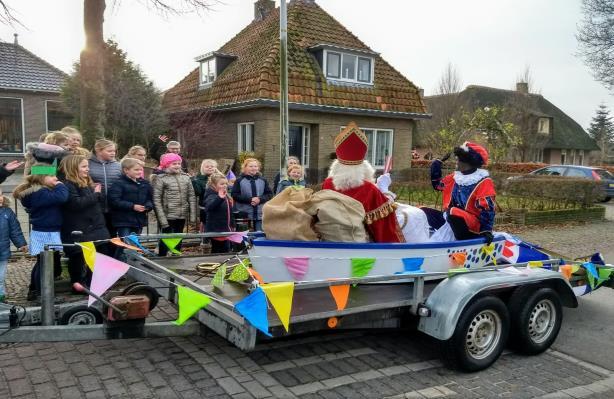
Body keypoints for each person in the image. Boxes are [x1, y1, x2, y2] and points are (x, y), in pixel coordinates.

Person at [322, 123, 404, 243]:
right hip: (359, 245)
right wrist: (386, 193)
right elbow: (384, 226)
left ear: (337, 165)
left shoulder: (328, 183)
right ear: (364, 166)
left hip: (329, 240)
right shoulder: (370, 189)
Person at [422, 141, 496, 243]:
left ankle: (461, 243)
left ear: (468, 162)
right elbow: (438, 185)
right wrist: (437, 164)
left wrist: (486, 230)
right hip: (450, 220)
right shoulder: (455, 177)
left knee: (453, 212)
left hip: (472, 227)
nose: (456, 162)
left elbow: (487, 208)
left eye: (459, 160)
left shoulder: (484, 181)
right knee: (422, 212)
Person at [13, 170, 69, 300]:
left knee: (41, 263)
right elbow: (61, 197)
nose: (55, 178)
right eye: (51, 176)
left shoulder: (37, 191)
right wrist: (60, 185)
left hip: (43, 230)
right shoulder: (40, 192)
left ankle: (34, 290)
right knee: (44, 264)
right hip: (46, 232)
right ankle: (41, 293)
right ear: (41, 178)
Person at [59, 155, 111, 287]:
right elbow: (76, 204)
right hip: (80, 229)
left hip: (95, 227)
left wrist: (97, 193)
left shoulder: (86, 182)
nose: (87, 169)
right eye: (84, 166)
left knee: (98, 257)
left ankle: (93, 283)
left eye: (87, 166)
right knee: (78, 259)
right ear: (73, 168)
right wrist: (96, 194)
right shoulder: (67, 184)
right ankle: (78, 285)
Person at [152, 153, 197, 256]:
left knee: (178, 236)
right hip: (167, 214)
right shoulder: (161, 178)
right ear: (166, 165)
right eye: (174, 164)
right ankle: (162, 257)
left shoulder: (185, 178)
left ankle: (176, 255)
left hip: (181, 214)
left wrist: (193, 217)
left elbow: (191, 197)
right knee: (166, 238)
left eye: (178, 163)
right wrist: (162, 219)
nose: (177, 165)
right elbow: (157, 200)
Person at [108, 158, 153, 259]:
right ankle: (117, 264)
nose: (139, 172)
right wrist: (132, 206)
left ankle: (131, 265)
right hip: (123, 220)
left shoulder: (145, 183)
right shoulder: (118, 184)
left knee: (134, 244)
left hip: (139, 219)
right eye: (136, 170)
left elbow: (150, 198)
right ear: (126, 170)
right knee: (125, 244)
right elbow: (114, 200)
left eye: (140, 170)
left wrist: (148, 206)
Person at [88, 139, 122, 236]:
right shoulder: (87, 164)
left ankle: (111, 251)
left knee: (112, 235)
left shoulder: (118, 166)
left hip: (114, 208)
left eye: (114, 151)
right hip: (95, 207)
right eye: (109, 151)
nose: (113, 153)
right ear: (98, 150)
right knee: (97, 235)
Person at [0, 189, 28, 303]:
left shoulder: (7, 212)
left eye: (1, 194)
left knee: (0, 277)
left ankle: (1, 296)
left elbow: (14, 230)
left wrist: (21, 244)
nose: (0, 198)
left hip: (2, 251)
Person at [231, 158, 272, 232]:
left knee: (259, 235)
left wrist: (259, 199)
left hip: (259, 212)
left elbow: (269, 194)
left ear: (258, 168)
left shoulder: (263, 180)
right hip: (244, 213)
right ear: (245, 167)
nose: (253, 168)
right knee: (244, 237)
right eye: (251, 166)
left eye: (255, 166)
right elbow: (235, 195)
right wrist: (250, 199)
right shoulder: (239, 180)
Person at [204, 173, 235, 253]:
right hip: (217, 230)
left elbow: (229, 212)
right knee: (218, 251)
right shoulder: (211, 195)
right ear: (213, 185)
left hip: (226, 229)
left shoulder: (225, 195)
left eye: (226, 183)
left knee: (226, 250)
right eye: (221, 184)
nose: (225, 186)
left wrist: (232, 225)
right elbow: (209, 207)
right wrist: (219, 198)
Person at [192, 159, 220, 231]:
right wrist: (194, 182)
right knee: (205, 223)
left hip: (218, 205)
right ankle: (204, 239)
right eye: (207, 166)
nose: (210, 168)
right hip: (205, 207)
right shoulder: (198, 179)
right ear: (202, 168)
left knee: (217, 223)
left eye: (212, 166)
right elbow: (198, 192)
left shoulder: (220, 178)